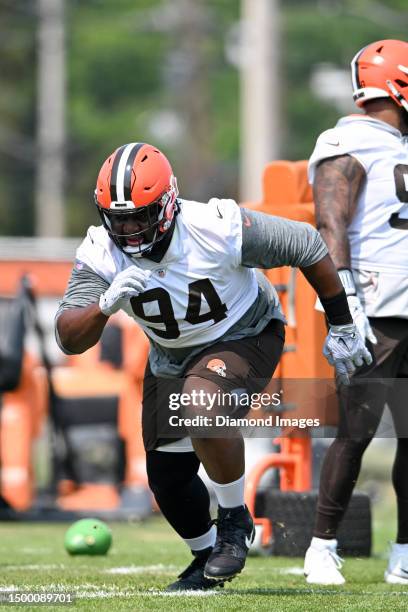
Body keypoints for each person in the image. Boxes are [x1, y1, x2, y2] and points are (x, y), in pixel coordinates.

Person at [55, 141, 370, 591]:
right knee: (167, 478)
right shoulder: (102, 252)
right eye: (118, 217)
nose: (128, 229)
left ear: (167, 203)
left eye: (139, 216)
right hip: (171, 355)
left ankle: (235, 519)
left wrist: (341, 324)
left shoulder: (215, 226)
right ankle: (206, 558)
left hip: (246, 333)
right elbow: (68, 337)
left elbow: (307, 243)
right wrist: (103, 306)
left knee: (200, 406)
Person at [304, 39, 408, 586]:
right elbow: (330, 222)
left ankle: (405, 554)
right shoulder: (348, 141)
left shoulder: (399, 144)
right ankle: (321, 546)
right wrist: (343, 307)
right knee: (356, 431)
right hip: (375, 308)